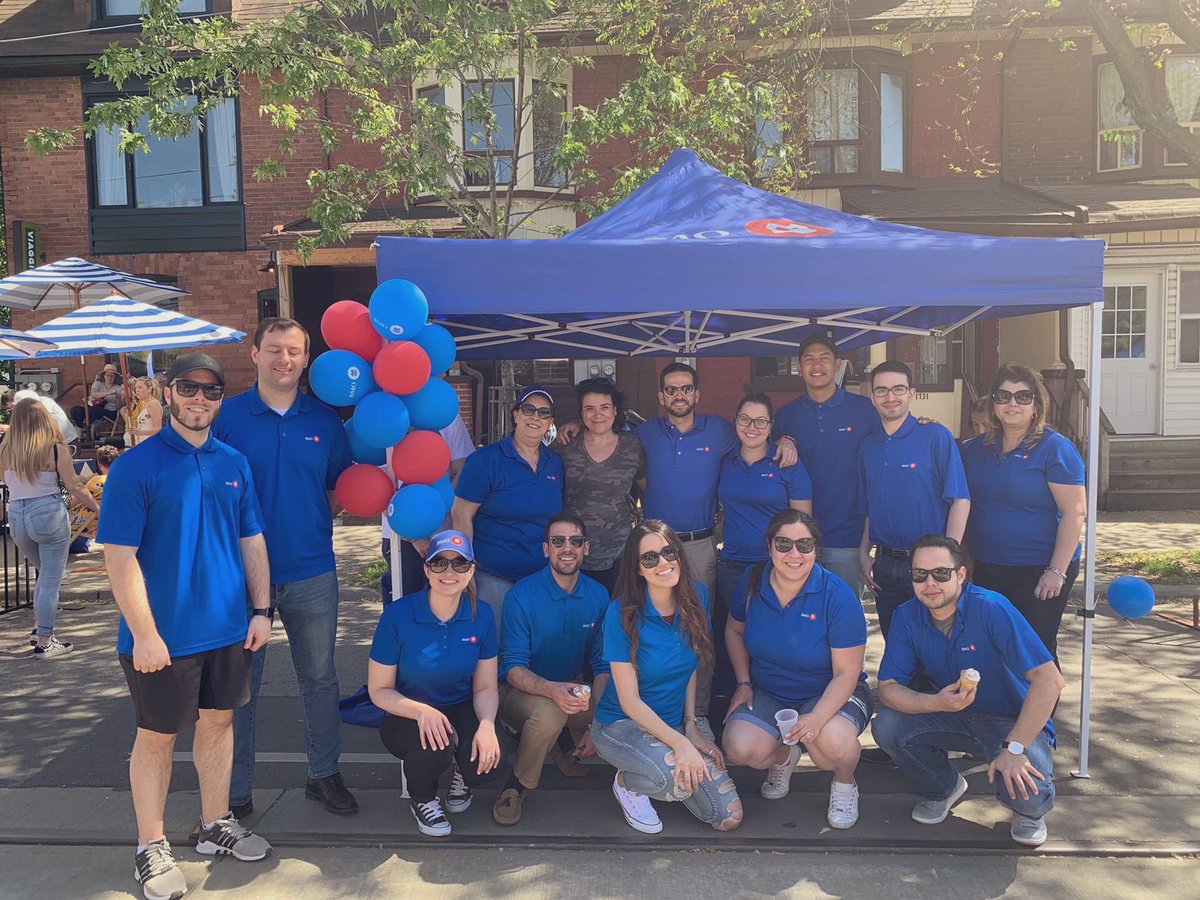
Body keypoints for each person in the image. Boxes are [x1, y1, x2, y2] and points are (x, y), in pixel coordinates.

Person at [98, 353, 273, 900]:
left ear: (222, 399)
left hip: (226, 629)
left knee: (219, 725)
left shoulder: (234, 462)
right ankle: (150, 847)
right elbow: (119, 557)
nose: (200, 399)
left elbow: (252, 540)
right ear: (169, 392)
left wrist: (263, 610)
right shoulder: (136, 466)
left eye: (212, 391)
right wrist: (144, 632)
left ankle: (214, 823)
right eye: (189, 389)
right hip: (160, 638)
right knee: (156, 738)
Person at [212, 317, 357, 818]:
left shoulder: (325, 421)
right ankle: (235, 792)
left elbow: (338, 491)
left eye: (293, 351)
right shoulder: (226, 417)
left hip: (311, 569)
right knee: (241, 685)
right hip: (238, 576)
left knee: (319, 678)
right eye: (274, 349)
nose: (284, 360)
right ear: (254, 354)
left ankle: (324, 775)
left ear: (306, 358)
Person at [872, 535, 1065, 848]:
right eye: (919, 575)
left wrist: (1015, 747)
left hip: (1010, 722)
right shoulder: (907, 616)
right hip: (951, 713)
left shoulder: (991, 607)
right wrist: (935, 701)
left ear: (961, 574)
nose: (929, 583)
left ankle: (1030, 814)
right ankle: (944, 787)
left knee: (1027, 795)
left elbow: (1049, 680)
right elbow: (888, 688)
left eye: (941, 573)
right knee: (887, 725)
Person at [721, 509, 871, 829]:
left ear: (816, 549)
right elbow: (734, 630)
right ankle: (784, 757)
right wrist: (743, 682)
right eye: (784, 543)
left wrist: (816, 718)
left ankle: (845, 783)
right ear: (769, 546)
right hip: (771, 692)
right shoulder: (752, 581)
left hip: (830, 692)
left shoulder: (838, 595)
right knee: (740, 747)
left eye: (804, 545)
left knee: (829, 743)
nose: (794, 553)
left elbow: (847, 672)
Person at [589, 521, 742, 834]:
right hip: (621, 725)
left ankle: (658, 766)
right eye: (649, 558)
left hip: (674, 724)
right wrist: (681, 744)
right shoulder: (621, 614)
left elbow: (688, 667)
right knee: (678, 783)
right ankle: (627, 782)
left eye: (668, 552)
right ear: (637, 569)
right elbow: (629, 702)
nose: (662, 562)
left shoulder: (697, 597)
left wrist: (690, 725)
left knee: (727, 816)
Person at [368, 530, 501, 837]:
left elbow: (484, 688)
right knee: (436, 745)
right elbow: (379, 691)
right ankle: (423, 797)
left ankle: (463, 778)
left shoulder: (482, 615)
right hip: (406, 712)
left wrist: (487, 726)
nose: (449, 572)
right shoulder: (398, 616)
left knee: (491, 756)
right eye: (439, 563)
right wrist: (422, 713)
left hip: (459, 705)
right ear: (426, 569)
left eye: (459, 564)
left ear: (471, 571)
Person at [961, 365, 1087, 661]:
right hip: (987, 568)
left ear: (1036, 404)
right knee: (991, 647)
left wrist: (1056, 571)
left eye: (1023, 396)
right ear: (993, 403)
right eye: (1003, 396)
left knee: (1034, 651)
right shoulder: (974, 449)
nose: (1012, 403)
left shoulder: (1056, 449)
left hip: (1039, 571)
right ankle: (1002, 708)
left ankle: (1040, 709)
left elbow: (1074, 512)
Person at [494, 514, 611, 825]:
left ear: (586, 548)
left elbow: (602, 665)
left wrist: (595, 725)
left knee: (620, 706)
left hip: (570, 687)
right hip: (519, 692)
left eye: (575, 541)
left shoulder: (598, 595)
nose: (567, 548)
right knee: (550, 712)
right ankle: (516, 785)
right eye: (558, 541)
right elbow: (513, 668)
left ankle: (566, 747)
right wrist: (551, 690)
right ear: (546, 549)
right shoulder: (522, 595)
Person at [857, 361, 970, 639]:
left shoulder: (935, 436)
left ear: (912, 393)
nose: (890, 397)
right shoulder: (868, 447)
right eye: (881, 390)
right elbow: (871, 507)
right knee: (896, 647)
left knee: (935, 649)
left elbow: (960, 500)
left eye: (898, 389)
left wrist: (949, 560)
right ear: (872, 397)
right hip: (885, 566)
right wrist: (863, 553)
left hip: (930, 568)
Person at [713, 392, 812, 699]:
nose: (751, 427)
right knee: (735, 636)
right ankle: (739, 702)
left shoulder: (787, 463)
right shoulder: (725, 461)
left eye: (760, 421)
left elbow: (803, 521)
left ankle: (775, 704)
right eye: (745, 419)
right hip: (732, 566)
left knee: (771, 638)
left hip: (775, 568)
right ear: (735, 422)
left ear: (771, 427)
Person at [773, 335, 880, 598]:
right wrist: (782, 439)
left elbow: (889, 442)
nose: (816, 365)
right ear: (799, 367)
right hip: (797, 542)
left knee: (843, 618)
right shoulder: (786, 415)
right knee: (801, 619)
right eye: (809, 359)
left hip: (847, 539)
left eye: (824, 358)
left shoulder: (865, 409)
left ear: (838, 364)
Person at [453, 385, 564, 619]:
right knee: (496, 650)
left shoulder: (555, 463)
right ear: (516, 414)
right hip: (493, 577)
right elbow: (461, 515)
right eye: (528, 409)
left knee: (536, 649)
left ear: (550, 421)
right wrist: (465, 568)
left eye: (544, 413)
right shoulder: (485, 460)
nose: (536, 417)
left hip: (541, 577)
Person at [1, 398, 99, 657]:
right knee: (50, 578)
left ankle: (38, 626)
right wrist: (98, 509)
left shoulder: (5, 450)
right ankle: (45, 639)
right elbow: (75, 486)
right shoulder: (55, 449)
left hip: (17, 515)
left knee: (44, 574)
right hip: (48, 513)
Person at [553, 378, 645, 594]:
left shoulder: (632, 446)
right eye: (589, 409)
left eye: (604, 407)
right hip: (572, 553)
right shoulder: (565, 445)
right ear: (581, 413)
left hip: (619, 554)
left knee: (615, 618)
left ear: (615, 410)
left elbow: (647, 486)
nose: (597, 414)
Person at [68, 444, 120, 553]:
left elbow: (72, 502)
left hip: (83, 523)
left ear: (99, 464)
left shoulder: (97, 482)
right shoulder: (122, 481)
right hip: (104, 521)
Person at [72, 363, 125, 430]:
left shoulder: (118, 388)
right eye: (108, 375)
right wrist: (110, 392)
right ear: (103, 376)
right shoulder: (98, 384)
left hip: (110, 411)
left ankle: (91, 429)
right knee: (76, 410)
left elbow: (119, 407)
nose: (110, 377)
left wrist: (118, 398)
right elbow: (93, 394)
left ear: (115, 377)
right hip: (94, 407)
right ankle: (79, 432)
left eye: (112, 376)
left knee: (94, 411)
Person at [123, 376, 164, 447]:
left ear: (149, 389)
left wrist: (139, 432)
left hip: (150, 442)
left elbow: (158, 428)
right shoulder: (145, 404)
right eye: (136, 388)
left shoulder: (153, 404)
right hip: (142, 441)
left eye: (140, 387)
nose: (137, 390)